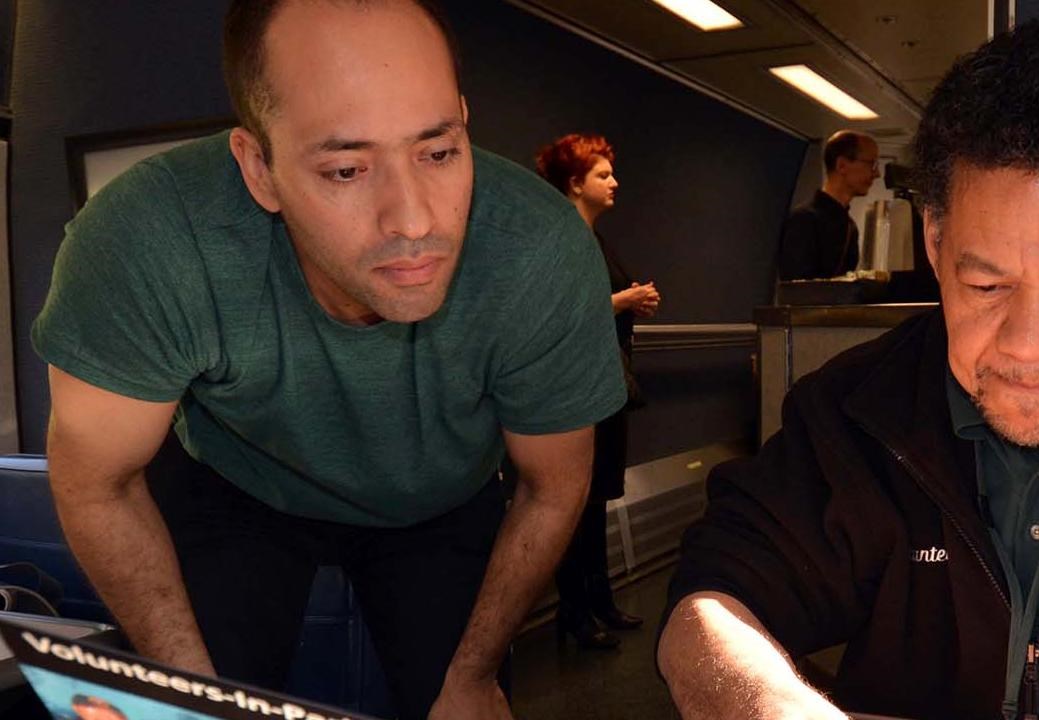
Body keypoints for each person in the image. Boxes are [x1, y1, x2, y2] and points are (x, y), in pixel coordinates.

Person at [659, 13, 1039, 720]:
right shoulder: (857, 406)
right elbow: (713, 592)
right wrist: (767, 706)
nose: (1027, 345)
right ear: (934, 239)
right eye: (986, 285)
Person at [32, 2, 626, 719]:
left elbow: (551, 488)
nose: (414, 221)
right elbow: (100, 484)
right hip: (237, 483)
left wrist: (470, 680)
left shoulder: (540, 251)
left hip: (441, 499)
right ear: (259, 169)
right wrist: (189, 699)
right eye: (346, 169)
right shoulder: (149, 242)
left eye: (438, 153)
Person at [534, 133, 659, 649]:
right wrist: (622, 300)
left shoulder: (594, 237)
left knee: (599, 496)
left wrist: (631, 303)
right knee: (576, 501)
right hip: (576, 386)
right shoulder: (558, 240)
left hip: (605, 382)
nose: (614, 182)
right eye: (602, 175)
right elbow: (556, 314)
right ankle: (575, 612)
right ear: (573, 183)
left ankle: (599, 601)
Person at [776, 131, 880, 281]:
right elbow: (796, 293)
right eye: (872, 164)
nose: (877, 174)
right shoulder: (803, 220)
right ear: (842, 165)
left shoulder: (849, 226)